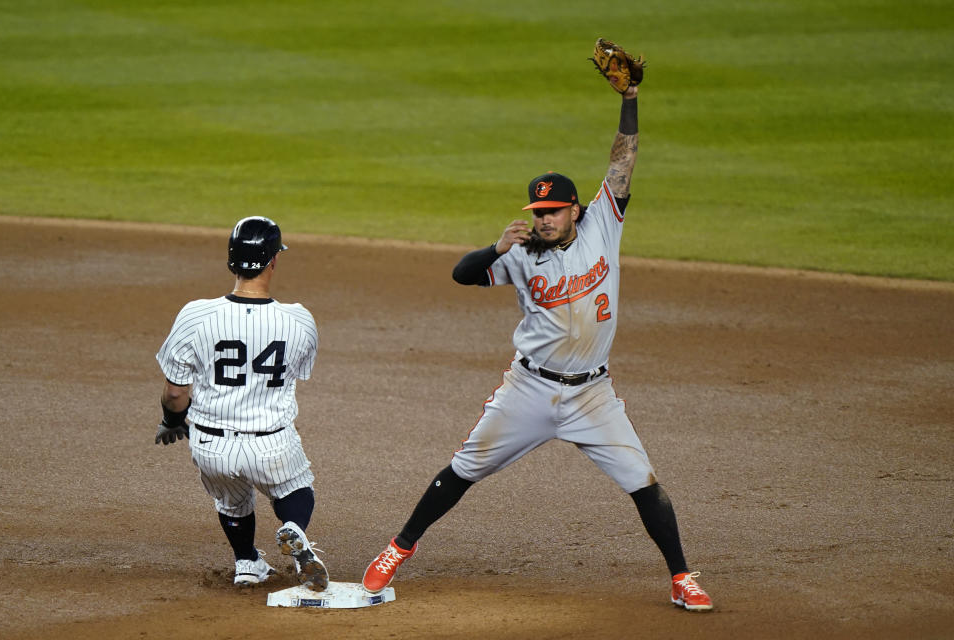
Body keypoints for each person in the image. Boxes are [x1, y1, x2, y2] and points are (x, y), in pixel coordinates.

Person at [361, 80, 713, 611]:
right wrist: (494, 247)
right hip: (528, 389)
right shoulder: (519, 253)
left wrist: (630, 98)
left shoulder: (603, 224)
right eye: (536, 211)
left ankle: (682, 577)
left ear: (575, 210)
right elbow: (461, 275)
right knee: (463, 469)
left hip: (592, 395)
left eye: (551, 211)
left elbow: (624, 162)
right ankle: (398, 547)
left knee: (643, 481)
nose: (542, 219)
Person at [154, 216, 329, 590]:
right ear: (273, 260)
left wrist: (172, 421)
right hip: (271, 444)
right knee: (295, 488)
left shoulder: (195, 314)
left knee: (233, 502)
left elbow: (174, 392)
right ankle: (294, 530)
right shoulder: (299, 320)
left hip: (211, 445)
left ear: (231, 261)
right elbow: (297, 371)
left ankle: (246, 562)